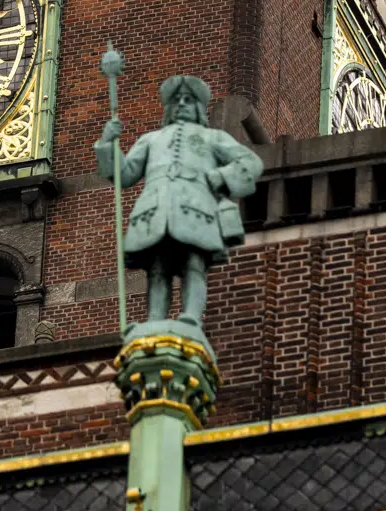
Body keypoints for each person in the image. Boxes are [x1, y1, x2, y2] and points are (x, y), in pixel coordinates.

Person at [95, 75, 263, 330]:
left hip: (196, 208)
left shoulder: (212, 138)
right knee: (157, 269)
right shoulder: (150, 140)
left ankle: (192, 317)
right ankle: (155, 320)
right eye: (177, 100)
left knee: (193, 263)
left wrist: (219, 177)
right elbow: (125, 175)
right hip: (156, 208)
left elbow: (251, 162)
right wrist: (108, 144)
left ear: (197, 107)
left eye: (188, 99)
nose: (182, 104)